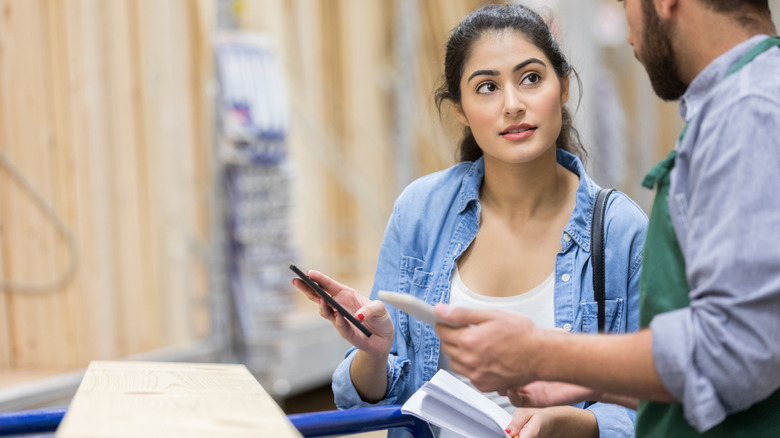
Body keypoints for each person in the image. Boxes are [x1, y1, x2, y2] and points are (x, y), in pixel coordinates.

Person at [292, 3, 648, 437]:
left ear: (565, 86)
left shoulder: (619, 231)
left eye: (531, 78)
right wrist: (375, 352)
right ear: (460, 108)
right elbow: (371, 397)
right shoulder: (421, 211)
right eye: (486, 87)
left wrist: (576, 424)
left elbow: (655, 405)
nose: (513, 104)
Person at [435, 0, 780, 436]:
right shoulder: (743, 103)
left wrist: (541, 353)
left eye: (623, 3)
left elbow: (735, 352)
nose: (628, 32)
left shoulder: (750, 110)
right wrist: (583, 379)